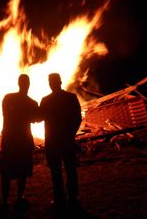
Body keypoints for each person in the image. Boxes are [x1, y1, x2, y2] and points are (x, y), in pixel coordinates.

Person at [39, 73, 82, 211]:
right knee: (70, 170)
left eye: (51, 81)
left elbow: (38, 117)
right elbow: (77, 119)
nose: (51, 83)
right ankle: (72, 199)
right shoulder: (71, 98)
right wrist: (70, 134)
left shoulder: (46, 100)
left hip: (52, 142)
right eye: (51, 81)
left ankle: (60, 199)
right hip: (66, 141)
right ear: (60, 82)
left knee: (56, 173)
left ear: (54, 83)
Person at [0, 74, 38, 215]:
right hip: (23, 141)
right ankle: (19, 198)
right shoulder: (32, 103)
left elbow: (5, 114)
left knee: (7, 172)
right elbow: (35, 119)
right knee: (22, 171)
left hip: (9, 140)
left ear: (19, 83)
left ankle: (4, 201)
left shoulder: (8, 98)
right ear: (28, 84)